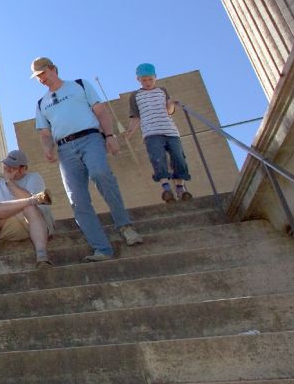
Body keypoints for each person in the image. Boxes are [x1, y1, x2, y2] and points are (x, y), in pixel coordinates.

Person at [32, 56, 143, 262]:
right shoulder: (41, 103)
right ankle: (102, 249)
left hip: (90, 138)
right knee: (77, 199)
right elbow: (45, 133)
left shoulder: (80, 85)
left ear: (53, 69)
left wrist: (109, 136)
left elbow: (100, 111)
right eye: (37, 77)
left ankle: (125, 227)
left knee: (101, 174)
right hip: (65, 149)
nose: (41, 79)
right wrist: (48, 149)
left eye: (43, 74)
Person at [125, 62, 192, 202]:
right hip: (151, 133)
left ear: (155, 77)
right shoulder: (135, 96)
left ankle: (180, 189)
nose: (148, 82)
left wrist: (171, 103)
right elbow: (136, 116)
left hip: (170, 131)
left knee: (178, 157)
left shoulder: (162, 91)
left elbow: (169, 111)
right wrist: (130, 131)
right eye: (144, 80)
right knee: (158, 158)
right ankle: (166, 188)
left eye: (150, 79)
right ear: (138, 79)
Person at [0, 150, 56, 268]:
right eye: (7, 166)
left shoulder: (34, 177)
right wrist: (26, 202)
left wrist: (10, 182)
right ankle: (32, 200)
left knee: (30, 208)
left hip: (34, 225)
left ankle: (42, 257)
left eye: (12, 167)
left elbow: (25, 196)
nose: (8, 169)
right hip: (10, 228)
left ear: (23, 168)